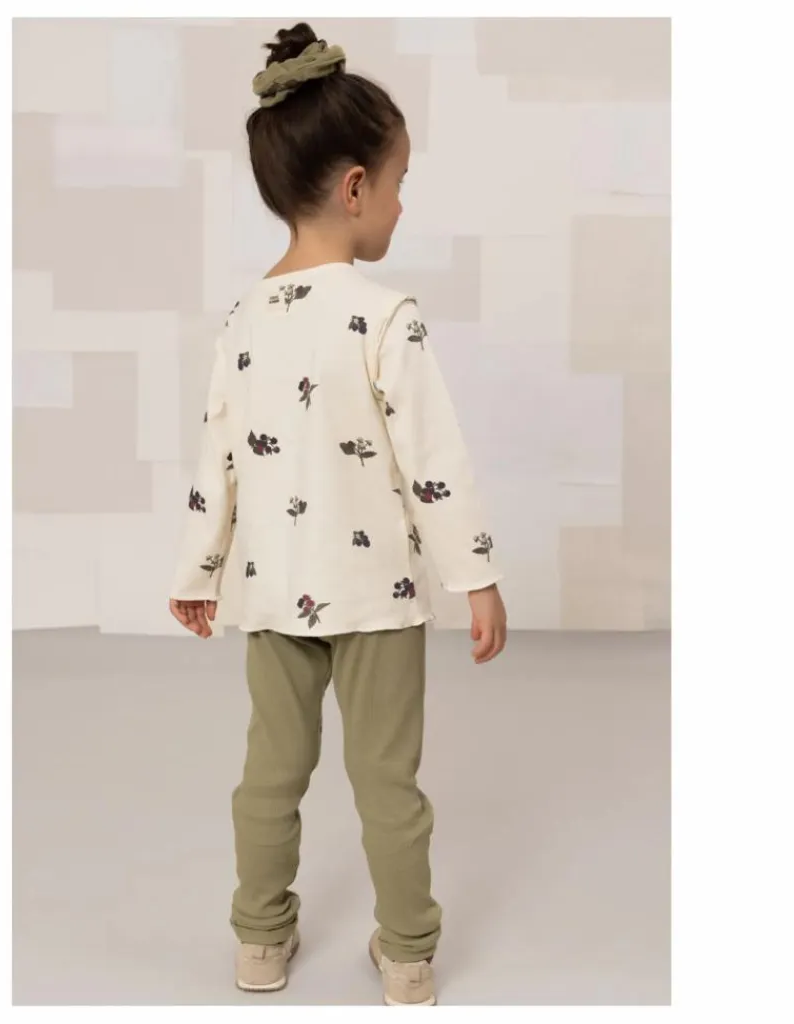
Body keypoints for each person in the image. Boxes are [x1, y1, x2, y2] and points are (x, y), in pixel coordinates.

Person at [168, 22, 507, 1007]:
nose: (402, 204)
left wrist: (197, 571)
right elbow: (432, 459)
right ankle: (408, 956)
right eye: (399, 184)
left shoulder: (241, 319)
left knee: (268, 777)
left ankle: (258, 943)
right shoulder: (385, 315)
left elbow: (218, 460)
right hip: (378, 596)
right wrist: (476, 575)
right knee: (387, 782)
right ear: (355, 187)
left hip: (273, 592)